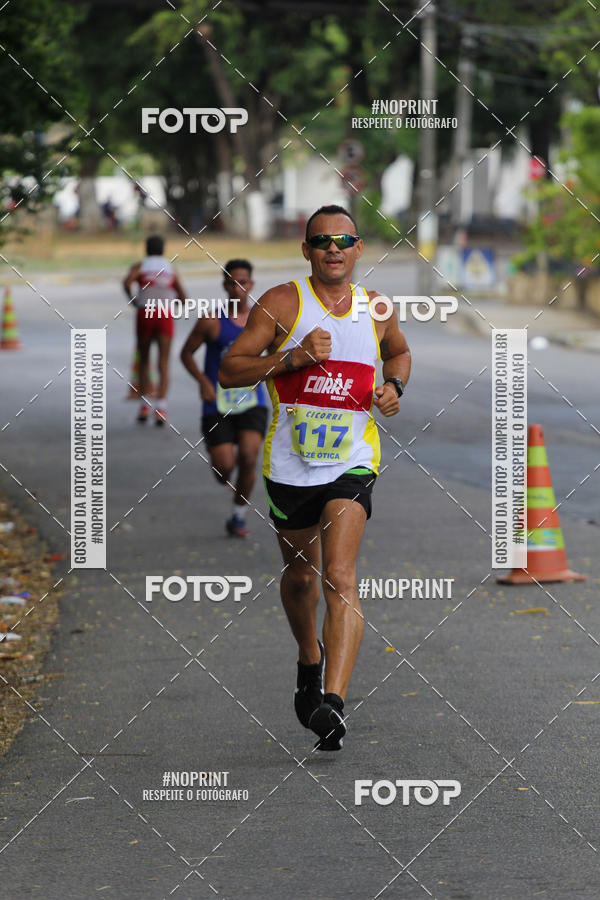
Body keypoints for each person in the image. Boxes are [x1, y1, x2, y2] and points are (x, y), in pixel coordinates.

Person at [219, 205, 411, 751]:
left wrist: (395, 387)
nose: (333, 248)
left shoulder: (376, 308)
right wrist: (290, 358)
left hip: (352, 460)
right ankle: (309, 660)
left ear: (358, 249)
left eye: (344, 239)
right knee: (302, 577)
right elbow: (231, 368)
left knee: (340, 576)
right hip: (290, 466)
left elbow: (398, 352)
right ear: (307, 250)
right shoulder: (282, 303)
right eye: (322, 240)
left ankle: (332, 702)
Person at [180, 260, 268, 537]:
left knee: (249, 457)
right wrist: (203, 381)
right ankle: (224, 470)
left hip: (253, 402)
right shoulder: (210, 321)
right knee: (224, 469)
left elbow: (279, 356)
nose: (238, 288)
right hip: (216, 403)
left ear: (251, 285)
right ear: (225, 285)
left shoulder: (263, 321)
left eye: (243, 282)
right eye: (232, 282)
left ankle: (238, 515)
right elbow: (186, 354)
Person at [123, 235, 186, 425]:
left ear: (146, 249)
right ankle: (161, 407)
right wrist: (169, 302)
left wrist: (134, 300)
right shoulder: (170, 268)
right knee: (163, 361)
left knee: (144, 359)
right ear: (163, 249)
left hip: (145, 313)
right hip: (164, 315)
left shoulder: (140, 266)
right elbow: (183, 297)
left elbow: (126, 283)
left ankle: (144, 405)